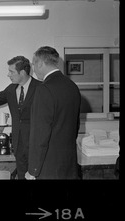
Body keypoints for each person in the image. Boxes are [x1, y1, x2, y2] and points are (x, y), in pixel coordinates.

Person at [25, 46, 81, 180]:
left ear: (40, 63)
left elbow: (39, 134)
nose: (33, 69)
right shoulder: (72, 86)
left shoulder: (44, 89)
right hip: (68, 163)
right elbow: (75, 126)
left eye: (33, 64)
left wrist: (33, 170)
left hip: (48, 166)